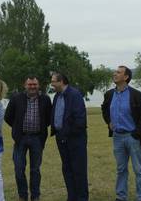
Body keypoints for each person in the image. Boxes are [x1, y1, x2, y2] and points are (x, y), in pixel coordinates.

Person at [101, 66, 141, 201]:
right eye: (115, 72)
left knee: (139, 170)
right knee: (121, 169)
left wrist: (136, 134)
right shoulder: (109, 94)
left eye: (118, 72)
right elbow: (104, 108)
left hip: (133, 137)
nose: (115, 74)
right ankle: (121, 197)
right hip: (117, 137)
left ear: (126, 77)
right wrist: (108, 122)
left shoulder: (137, 95)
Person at [4, 75, 52, 201]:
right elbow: (8, 117)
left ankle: (35, 196)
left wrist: (39, 130)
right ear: (25, 85)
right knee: (19, 168)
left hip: (37, 139)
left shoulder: (45, 99)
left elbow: (48, 119)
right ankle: (22, 195)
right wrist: (17, 128)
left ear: (38, 85)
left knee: (35, 170)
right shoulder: (16, 98)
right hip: (21, 139)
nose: (32, 87)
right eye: (30, 84)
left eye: (34, 84)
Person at [50, 72, 89, 201]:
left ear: (61, 82)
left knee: (78, 170)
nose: (52, 84)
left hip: (75, 139)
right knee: (67, 169)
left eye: (53, 81)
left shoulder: (74, 95)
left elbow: (79, 120)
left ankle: (82, 198)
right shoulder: (57, 96)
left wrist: (67, 134)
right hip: (61, 139)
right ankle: (71, 197)